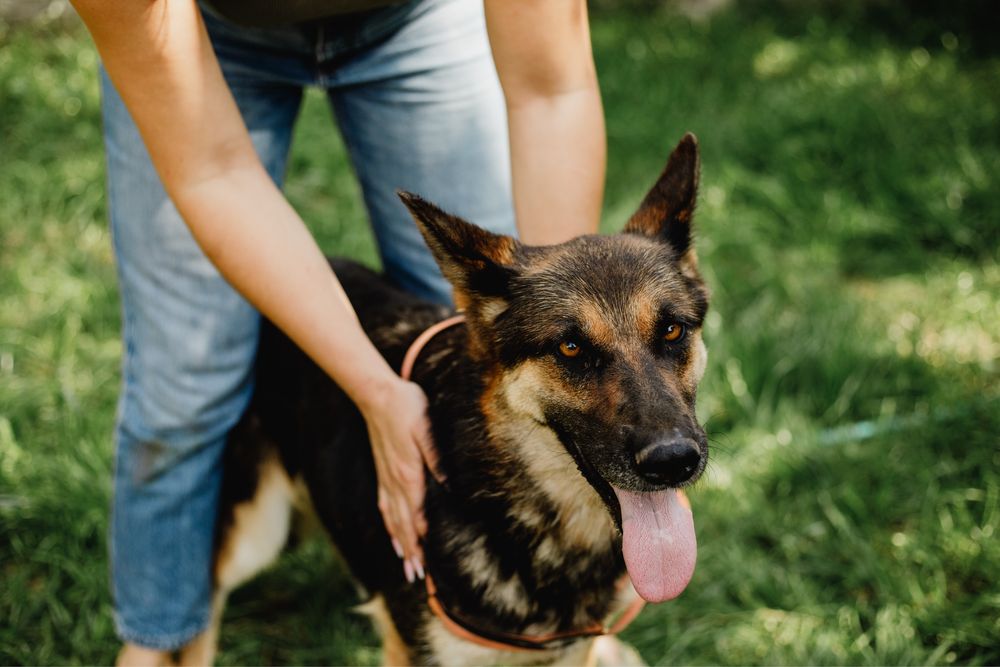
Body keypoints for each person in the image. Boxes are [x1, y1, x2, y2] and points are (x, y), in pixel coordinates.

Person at [69, 0, 606, 663]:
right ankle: (163, 636)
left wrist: (558, 323)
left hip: (419, 15)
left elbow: (550, 90)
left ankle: (555, 615)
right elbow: (212, 169)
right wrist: (374, 390)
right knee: (185, 380)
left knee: (491, 350)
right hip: (201, 30)